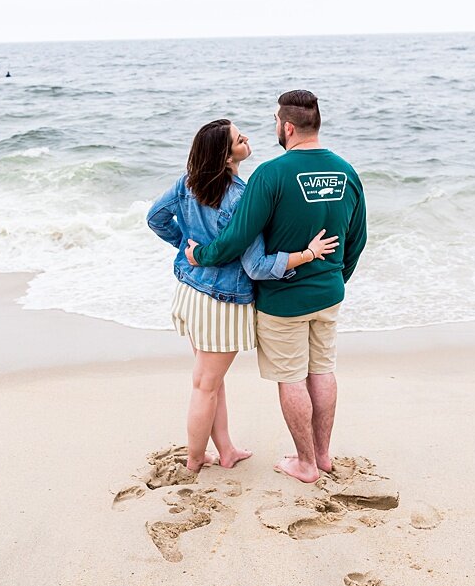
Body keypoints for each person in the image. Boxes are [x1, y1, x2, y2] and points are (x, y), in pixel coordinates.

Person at [186, 90, 367, 483]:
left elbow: (236, 239)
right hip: (329, 292)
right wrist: (336, 277)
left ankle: (304, 463)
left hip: (284, 300)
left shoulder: (270, 174)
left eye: (274, 121)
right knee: (322, 371)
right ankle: (322, 455)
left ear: (286, 126)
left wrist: (202, 256)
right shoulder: (346, 171)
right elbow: (358, 239)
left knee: (292, 377)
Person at [148, 119, 337, 474]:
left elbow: (155, 219)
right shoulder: (240, 197)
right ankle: (193, 460)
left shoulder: (187, 182)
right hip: (221, 302)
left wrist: (188, 249)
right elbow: (257, 267)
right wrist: (307, 255)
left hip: (190, 291)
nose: (246, 137)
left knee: (209, 381)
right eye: (238, 138)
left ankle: (226, 449)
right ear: (225, 155)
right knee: (205, 384)